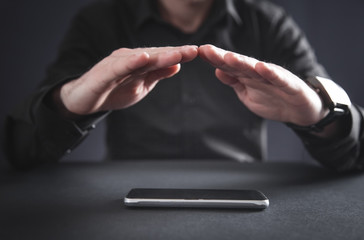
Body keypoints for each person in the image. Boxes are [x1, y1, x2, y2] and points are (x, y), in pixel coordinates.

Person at [4, 0, 364, 172]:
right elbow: (22, 150)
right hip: (121, 202)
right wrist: (70, 103)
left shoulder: (267, 22)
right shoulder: (100, 19)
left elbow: (355, 152)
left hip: (247, 203)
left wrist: (319, 114)